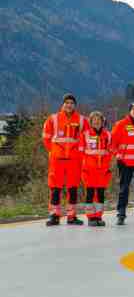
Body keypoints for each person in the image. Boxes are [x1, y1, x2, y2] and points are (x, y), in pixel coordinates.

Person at [43, 93, 87, 226]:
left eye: (72, 103)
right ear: (62, 104)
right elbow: (46, 137)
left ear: (75, 105)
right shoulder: (53, 119)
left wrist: (81, 153)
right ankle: (54, 215)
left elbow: (87, 138)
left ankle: (71, 216)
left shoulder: (81, 120)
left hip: (75, 159)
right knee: (55, 187)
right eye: (67, 103)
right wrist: (52, 151)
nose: (69, 105)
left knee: (72, 188)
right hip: (57, 159)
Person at [79, 111, 112, 227]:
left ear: (102, 122)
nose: (97, 122)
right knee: (90, 193)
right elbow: (81, 152)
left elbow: (110, 153)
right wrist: (84, 167)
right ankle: (91, 217)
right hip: (89, 170)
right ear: (91, 122)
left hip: (103, 170)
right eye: (94, 120)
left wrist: (107, 167)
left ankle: (98, 216)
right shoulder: (85, 135)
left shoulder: (108, 135)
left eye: (99, 120)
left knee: (101, 194)